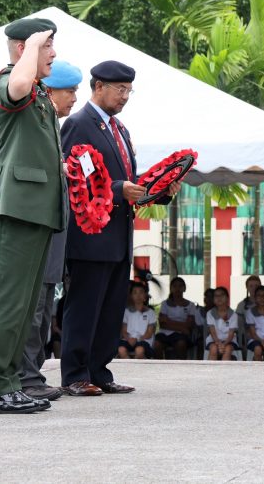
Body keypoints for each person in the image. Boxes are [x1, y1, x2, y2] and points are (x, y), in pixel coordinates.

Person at [59, 60, 179, 396]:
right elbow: (74, 180)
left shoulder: (121, 130)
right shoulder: (78, 124)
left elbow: (131, 183)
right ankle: (75, 375)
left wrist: (160, 190)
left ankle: (99, 370)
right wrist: (115, 190)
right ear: (98, 87)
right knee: (84, 307)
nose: (125, 96)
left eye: (129, 91)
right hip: (89, 235)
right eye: (119, 90)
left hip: (119, 235)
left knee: (111, 308)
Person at [0, 18, 63, 415]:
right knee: (8, 303)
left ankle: (9, 381)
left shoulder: (40, 92)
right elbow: (18, 88)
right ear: (23, 48)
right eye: (47, 47)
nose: (53, 54)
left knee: (24, 307)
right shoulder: (10, 80)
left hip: (32, 210)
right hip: (11, 208)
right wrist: (31, 48)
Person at [19, 59, 82, 402]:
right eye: (69, 91)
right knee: (34, 310)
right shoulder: (38, 123)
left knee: (43, 310)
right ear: (48, 91)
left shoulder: (53, 127)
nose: (74, 98)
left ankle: (33, 371)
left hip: (53, 233)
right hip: (38, 233)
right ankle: (27, 375)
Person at [155, 277, 197, 359]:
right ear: (171, 288)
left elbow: (189, 325)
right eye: (174, 286)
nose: (177, 289)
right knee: (156, 344)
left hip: (181, 335)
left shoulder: (191, 305)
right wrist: (182, 328)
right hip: (165, 334)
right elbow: (162, 324)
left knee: (181, 344)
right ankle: (159, 368)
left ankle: (181, 368)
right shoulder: (165, 304)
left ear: (184, 288)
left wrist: (169, 321)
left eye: (180, 286)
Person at [118, 282, 157, 359]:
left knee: (139, 350)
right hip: (128, 340)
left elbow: (149, 333)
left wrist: (137, 339)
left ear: (145, 296)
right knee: (121, 350)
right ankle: (130, 369)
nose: (138, 295)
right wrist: (129, 339)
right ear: (131, 296)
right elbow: (124, 331)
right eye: (135, 292)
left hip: (144, 341)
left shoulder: (150, 313)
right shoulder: (126, 312)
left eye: (141, 292)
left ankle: (138, 370)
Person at [205, 287, 238, 361]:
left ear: (227, 298)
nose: (219, 298)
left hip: (229, 341)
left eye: (222, 295)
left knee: (228, 349)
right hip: (214, 340)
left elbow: (231, 334)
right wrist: (218, 343)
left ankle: (223, 371)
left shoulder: (233, 314)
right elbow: (212, 331)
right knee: (213, 349)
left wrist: (224, 344)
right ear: (213, 299)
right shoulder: (210, 313)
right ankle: (210, 371)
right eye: (216, 296)